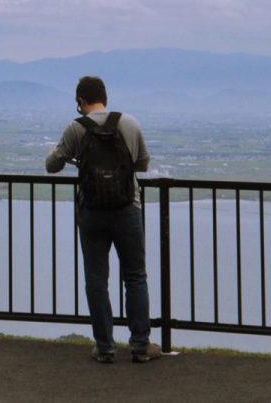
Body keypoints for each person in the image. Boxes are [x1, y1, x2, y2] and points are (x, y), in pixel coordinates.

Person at [45, 74, 156, 363]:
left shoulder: (76, 128)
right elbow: (143, 162)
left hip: (92, 213)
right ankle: (141, 345)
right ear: (106, 98)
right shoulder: (129, 123)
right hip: (127, 209)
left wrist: (63, 155)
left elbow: (51, 166)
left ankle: (105, 347)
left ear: (81, 101)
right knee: (135, 277)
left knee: (97, 279)